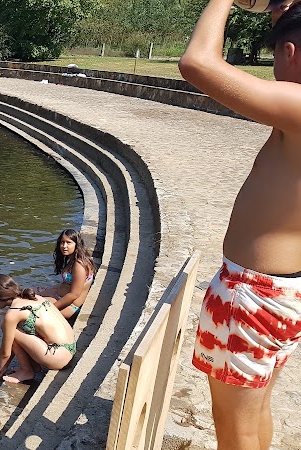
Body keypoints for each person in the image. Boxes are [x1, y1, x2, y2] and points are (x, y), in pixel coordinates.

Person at [179, 2, 301, 449]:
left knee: (235, 427)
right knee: (256, 411)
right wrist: (282, 11)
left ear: (289, 52)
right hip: (284, 291)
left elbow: (197, 63)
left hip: (253, 295)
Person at [0, 274, 76, 384]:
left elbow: (5, 353)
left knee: (9, 329)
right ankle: (32, 367)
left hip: (57, 357)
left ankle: (26, 371)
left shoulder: (13, 314)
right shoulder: (35, 297)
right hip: (70, 349)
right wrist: (4, 366)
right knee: (16, 329)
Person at [35, 229, 96, 320]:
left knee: (32, 307)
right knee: (32, 293)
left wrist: (52, 308)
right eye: (62, 242)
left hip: (70, 306)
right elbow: (68, 284)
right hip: (60, 296)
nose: (64, 246)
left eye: (68, 242)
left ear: (77, 244)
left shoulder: (79, 265)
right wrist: (49, 290)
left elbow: (74, 294)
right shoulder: (72, 260)